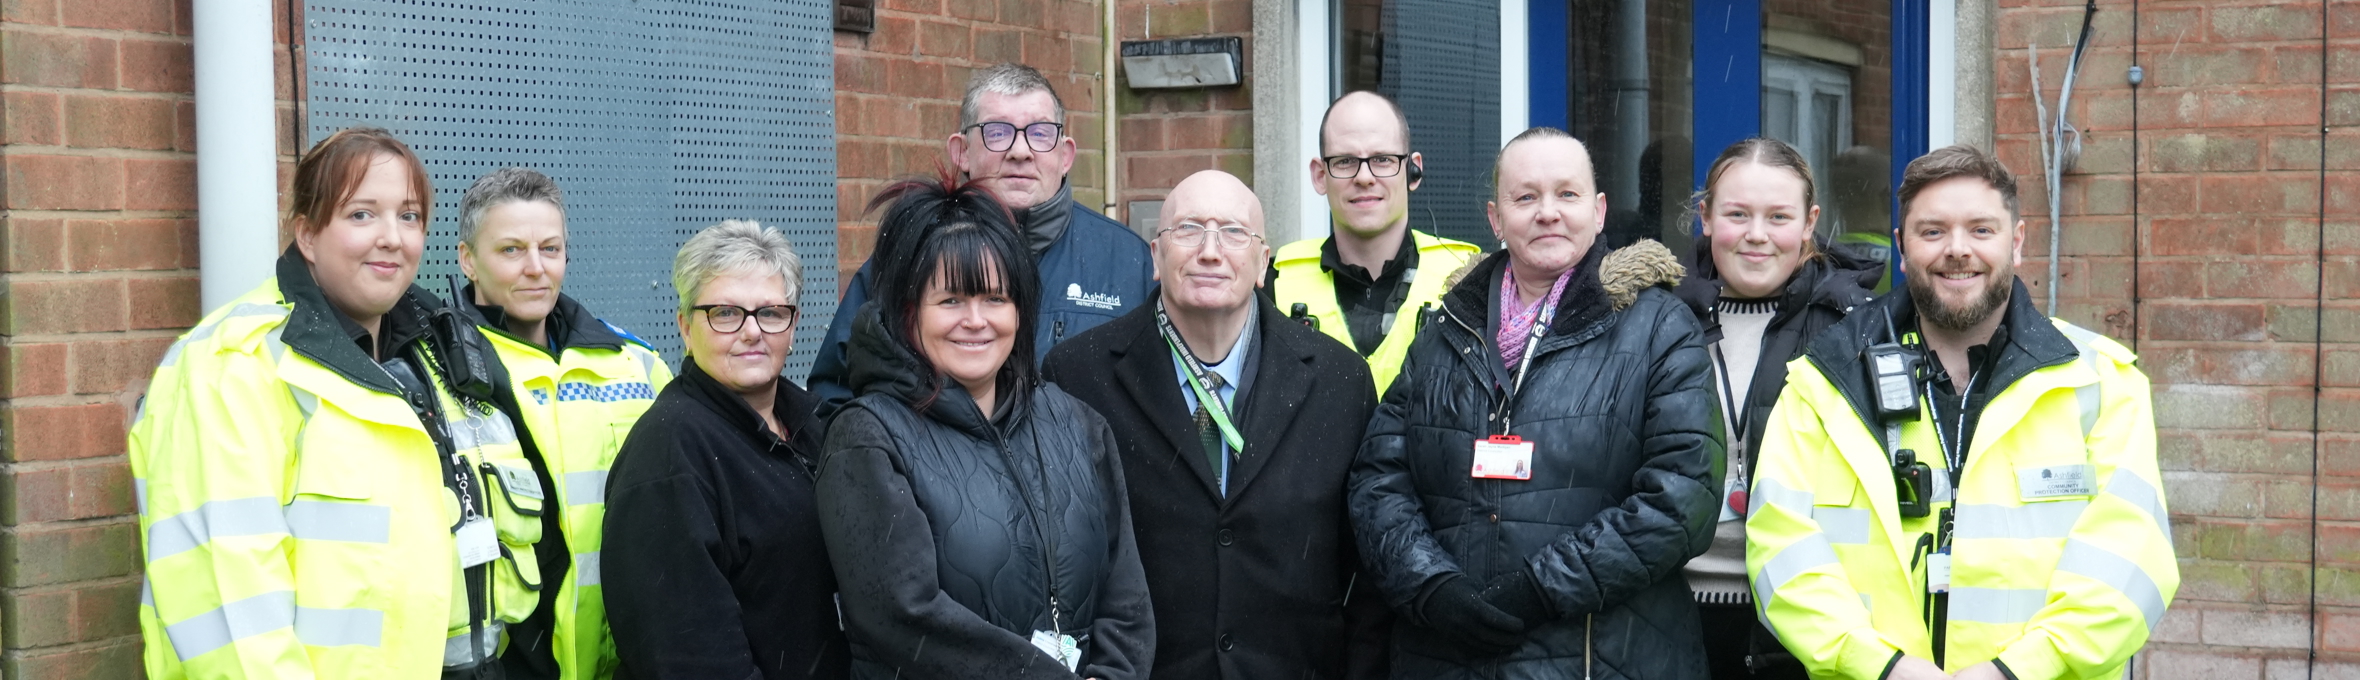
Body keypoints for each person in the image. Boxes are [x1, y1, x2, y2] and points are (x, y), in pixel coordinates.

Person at [1746, 145, 2176, 680]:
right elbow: (1779, 548)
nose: (1957, 249)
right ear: (1902, 247)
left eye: (1981, 229)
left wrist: (2012, 671)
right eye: (1932, 231)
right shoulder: (1823, 379)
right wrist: (1885, 668)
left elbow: (2131, 559)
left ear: (2016, 242)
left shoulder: (2101, 382)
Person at [129, 127, 543, 678]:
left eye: (409, 216)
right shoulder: (232, 366)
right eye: (361, 214)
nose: (392, 238)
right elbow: (235, 615)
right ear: (307, 234)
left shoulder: (442, 354)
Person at [1348, 127, 1721, 679]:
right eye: (1525, 197)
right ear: (1496, 219)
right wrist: (1431, 586)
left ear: (1598, 211)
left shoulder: (1661, 328)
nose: (1548, 212)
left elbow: (1684, 498)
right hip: (1446, 656)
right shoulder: (1445, 329)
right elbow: (1378, 478)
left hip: (1602, 660)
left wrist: (1540, 589)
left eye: (1567, 194)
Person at [1044, 170, 1393, 680]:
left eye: (1233, 232)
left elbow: (1366, 575)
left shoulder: (1340, 382)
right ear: (1156, 256)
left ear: (1262, 262)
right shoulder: (1077, 375)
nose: (1210, 251)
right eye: (1188, 229)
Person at [817, 176, 1153, 680]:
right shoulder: (867, 438)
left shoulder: (1077, 424)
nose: (976, 320)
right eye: (951, 300)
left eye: (995, 299)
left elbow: (1127, 598)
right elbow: (906, 617)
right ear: (909, 313)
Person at [809, 62, 1155, 408]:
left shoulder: (1128, 261)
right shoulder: (911, 252)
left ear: (1065, 156)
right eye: (998, 132)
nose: (1020, 151)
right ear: (961, 152)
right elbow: (834, 397)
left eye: (1040, 133)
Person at [449, 168, 672, 680]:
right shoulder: (437, 371)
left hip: (626, 662)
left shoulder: (634, 362)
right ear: (468, 259)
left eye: (549, 249)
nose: (535, 268)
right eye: (511, 250)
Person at [1670, 138, 1881, 680]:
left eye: (1779, 217)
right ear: (1706, 217)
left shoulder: (1855, 328)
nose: (1757, 234)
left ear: (1810, 222)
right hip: (1670, 614)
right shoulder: (1659, 321)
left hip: (1809, 617)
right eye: (1737, 214)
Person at [602, 220, 847, 679]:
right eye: (726, 313)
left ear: (793, 325)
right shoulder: (669, 453)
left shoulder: (816, 426)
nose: (752, 332)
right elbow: (687, 656)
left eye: (770, 312)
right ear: (685, 327)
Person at [1269, 90, 1480, 397]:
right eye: (1345, 161)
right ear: (1319, 175)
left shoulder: (1471, 280)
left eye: (1382, 159)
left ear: (1413, 171)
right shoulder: (1271, 285)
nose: (1365, 177)